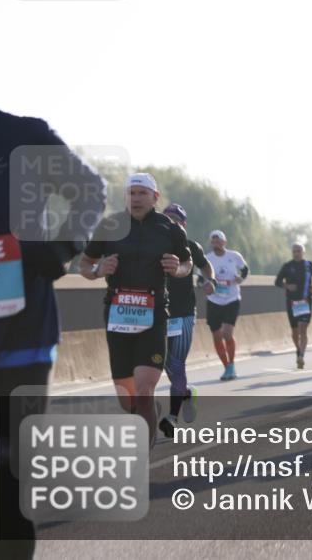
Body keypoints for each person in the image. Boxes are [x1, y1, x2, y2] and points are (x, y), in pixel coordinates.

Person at [0, 61, 106, 560]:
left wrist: (58, 248)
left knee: (1, 471)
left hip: (20, 339)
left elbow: (89, 192)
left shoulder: (24, 137)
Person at [80, 173, 194, 447]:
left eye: (142, 193)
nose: (136, 198)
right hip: (117, 315)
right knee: (127, 398)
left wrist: (176, 268)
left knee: (144, 390)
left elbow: (188, 264)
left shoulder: (170, 229)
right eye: (131, 193)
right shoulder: (110, 225)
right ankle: (147, 413)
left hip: (153, 314)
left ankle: (141, 456)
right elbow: (85, 264)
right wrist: (97, 271)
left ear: (155, 197)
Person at [157, 203, 214, 438]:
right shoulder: (154, 246)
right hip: (158, 313)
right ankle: (186, 392)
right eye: (166, 218)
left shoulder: (191, 247)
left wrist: (210, 280)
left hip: (183, 313)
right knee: (165, 364)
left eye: (175, 219)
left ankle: (171, 417)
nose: (170, 222)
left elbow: (205, 266)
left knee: (176, 363)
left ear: (184, 223)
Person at [205, 230, 249, 380]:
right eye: (213, 241)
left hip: (231, 299)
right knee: (217, 336)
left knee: (227, 333)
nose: (216, 243)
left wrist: (240, 278)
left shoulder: (234, 256)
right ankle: (227, 367)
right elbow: (199, 278)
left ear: (224, 242)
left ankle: (232, 363)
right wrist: (204, 284)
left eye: (219, 241)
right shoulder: (207, 259)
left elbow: (245, 270)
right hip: (214, 300)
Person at [274, 243, 312, 369]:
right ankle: (298, 349)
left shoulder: (309, 265)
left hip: (306, 301)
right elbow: (277, 282)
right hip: (292, 302)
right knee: (295, 331)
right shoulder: (287, 266)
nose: (296, 253)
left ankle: (301, 355)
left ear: (303, 252)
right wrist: (287, 286)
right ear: (292, 252)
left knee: (303, 329)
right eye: (294, 251)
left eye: (299, 251)